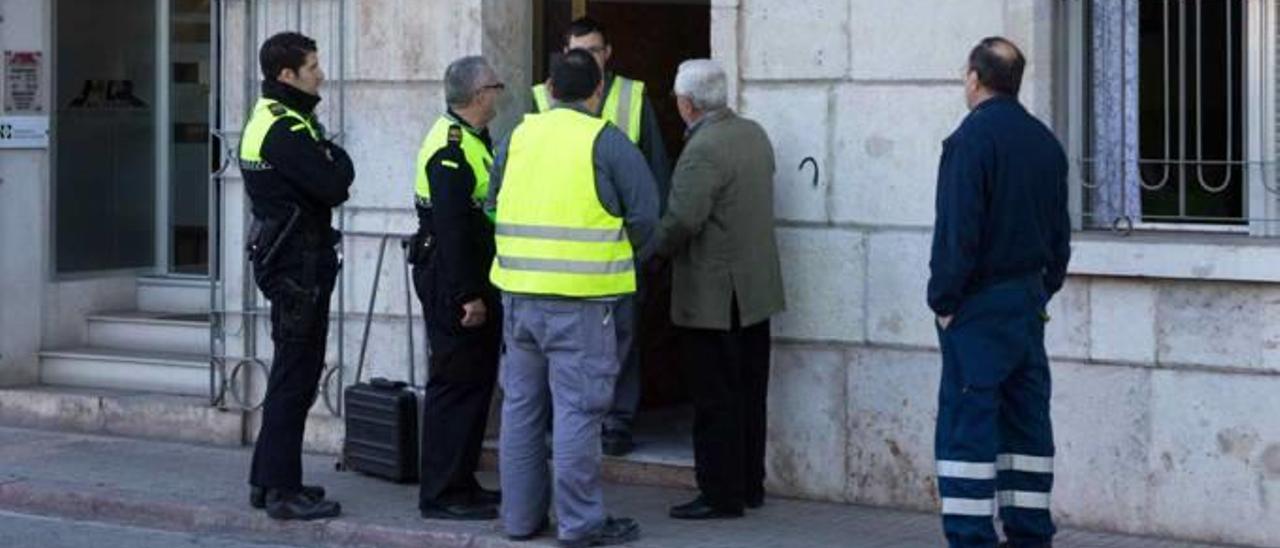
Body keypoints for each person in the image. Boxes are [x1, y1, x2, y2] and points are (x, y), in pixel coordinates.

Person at [489, 48, 658, 546]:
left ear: (549, 87)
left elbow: (492, 200)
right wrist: (621, 258)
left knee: (520, 409)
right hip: (582, 303)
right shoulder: (606, 140)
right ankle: (580, 524)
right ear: (597, 90)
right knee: (578, 412)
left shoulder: (517, 135)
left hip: (518, 298)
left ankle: (519, 520)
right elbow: (647, 217)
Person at [928, 37, 1071, 548]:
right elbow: (1060, 238)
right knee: (1026, 424)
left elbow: (957, 233)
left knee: (968, 425)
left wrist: (944, 302)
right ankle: (1030, 534)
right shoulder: (1045, 142)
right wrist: (1039, 291)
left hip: (978, 306)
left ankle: (970, 537)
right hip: (1027, 302)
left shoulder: (970, 141)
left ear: (974, 78)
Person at [532, 16, 671, 456]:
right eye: (579, 51)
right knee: (565, 349)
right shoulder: (540, 99)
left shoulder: (632, 97)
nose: (588, 59)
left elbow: (655, 179)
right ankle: (571, 423)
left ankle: (618, 422)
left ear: (608, 54)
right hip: (559, 254)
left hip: (619, 253)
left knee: (621, 342)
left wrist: (647, 250)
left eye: (595, 50)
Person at [655, 59, 785, 521]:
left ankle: (719, 494)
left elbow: (683, 219)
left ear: (687, 103)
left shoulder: (702, 148)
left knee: (715, 399)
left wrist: (652, 249)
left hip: (715, 296)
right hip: (754, 293)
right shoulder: (754, 134)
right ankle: (749, 484)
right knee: (749, 392)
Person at [242, 31, 353, 521]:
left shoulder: (277, 117)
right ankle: (280, 491)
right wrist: (333, 155)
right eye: (312, 67)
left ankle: (270, 480)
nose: (320, 74)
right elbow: (334, 183)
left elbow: (327, 172)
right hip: (297, 267)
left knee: (293, 374)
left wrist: (328, 155)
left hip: (293, 262)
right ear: (287, 75)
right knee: (295, 377)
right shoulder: (284, 128)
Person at [409, 56, 505, 521]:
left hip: (470, 277)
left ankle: (462, 482)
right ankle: (442, 493)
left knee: (474, 385)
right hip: (453, 281)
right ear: (477, 95)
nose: (499, 93)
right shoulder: (451, 147)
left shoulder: (472, 140)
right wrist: (468, 295)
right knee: (454, 387)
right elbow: (451, 230)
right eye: (495, 86)